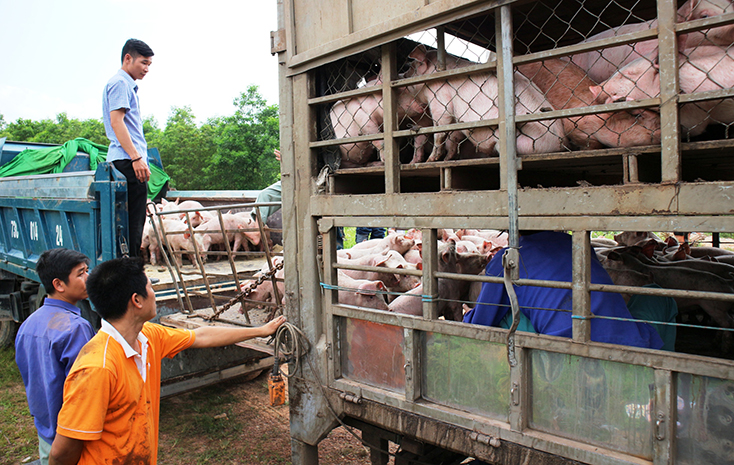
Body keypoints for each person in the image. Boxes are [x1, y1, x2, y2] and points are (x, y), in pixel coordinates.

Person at [49, 257, 286, 465]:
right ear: (137, 300)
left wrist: (259, 331)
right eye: (150, 287)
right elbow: (62, 453)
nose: (154, 293)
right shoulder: (97, 368)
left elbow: (201, 336)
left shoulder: (148, 337)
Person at [463, 231, 670, 349]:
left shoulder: (508, 259)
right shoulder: (575, 242)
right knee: (661, 297)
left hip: (564, 350)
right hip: (631, 340)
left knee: (508, 312)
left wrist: (468, 316)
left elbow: (483, 321)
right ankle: (664, 371)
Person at [15, 249, 95, 465]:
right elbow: (84, 390)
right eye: (81, 274)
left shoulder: (28, 325)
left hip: (45, 429)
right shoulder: (76, 328)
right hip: (72, 437)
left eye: (87, 271)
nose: (88, 278)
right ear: (59, 284)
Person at [103, 38, 154, 257]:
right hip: (127, 160)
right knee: (133, 223)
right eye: (143, 63)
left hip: (125, 159)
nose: (146, 69)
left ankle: (132, 272)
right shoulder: (120, 83)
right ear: (127, 58)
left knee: (132, 222)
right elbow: (117, 122)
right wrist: (136, 158)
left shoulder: (125, 85)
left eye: (149, 65)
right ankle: (132, 274)